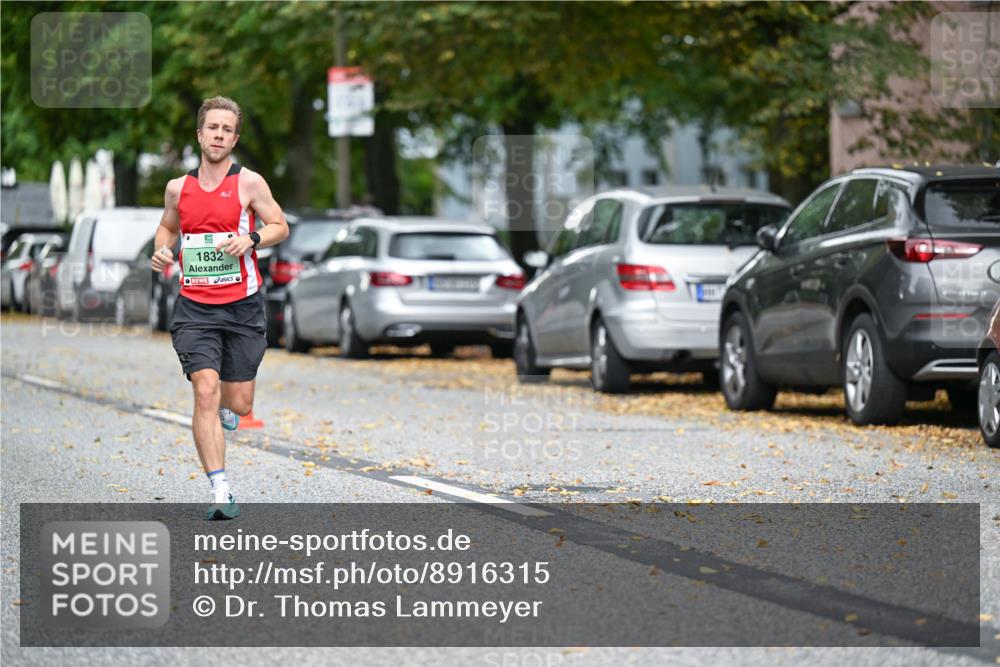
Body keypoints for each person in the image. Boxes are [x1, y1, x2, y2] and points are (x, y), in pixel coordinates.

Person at [151, 96, 289, 520]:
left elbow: (280, 225)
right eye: (213, 127)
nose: (219, 135)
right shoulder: (179, 188)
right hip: (195, 308)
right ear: (200, 134)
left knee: (240, 403)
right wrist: (161, 252)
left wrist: (253, 239)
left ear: (235, 137)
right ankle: (221, 490)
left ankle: (234, 410)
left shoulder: (249, 183)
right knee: (205, 391)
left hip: (243, 306)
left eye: (227, 130)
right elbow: (167, 228)